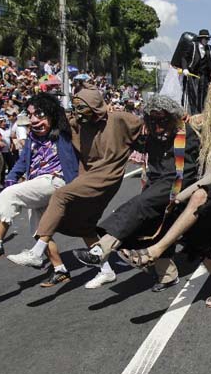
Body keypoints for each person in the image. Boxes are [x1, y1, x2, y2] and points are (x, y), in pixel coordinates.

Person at [116, 72, 211, 308]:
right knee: (197, 236)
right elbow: (184, 121)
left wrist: (182, 195)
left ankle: (155, 251)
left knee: (198, 195)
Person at [7, 84, 141, 288]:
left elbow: (145, 127)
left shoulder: (119, 119)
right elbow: (52, 120)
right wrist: (39, 110)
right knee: (84, 225)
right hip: (87, 176)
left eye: (82, 107)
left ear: (95, 105)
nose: (78, 112)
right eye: (75, 107)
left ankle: (37, 252)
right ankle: (106, 271)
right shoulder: (77, 124)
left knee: (61, 195)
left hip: (108, 175)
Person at [72, 95, 201, 290]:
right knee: (152, 227)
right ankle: (167, 276)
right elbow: (131, 140)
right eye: (153, 120)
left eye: (163, 120)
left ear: (173, 117)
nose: (158, 126)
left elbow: (188, 170)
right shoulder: (151, 135)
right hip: (156, 184)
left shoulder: (188, 133)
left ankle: (100, 249)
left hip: (176, 184)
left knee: (138, 207)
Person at [0, 94, 78, 266]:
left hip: (56, 181)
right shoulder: (32, 138)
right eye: (30, 115)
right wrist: (11, 177)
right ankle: (60, 270)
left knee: (11, 194)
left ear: (52, 115)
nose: (34, 120)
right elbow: (23, 161)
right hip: (37, 183)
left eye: (39, 115)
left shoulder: (64, 133)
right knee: (41, 231)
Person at [181, 30, 211, 115]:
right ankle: (192, 115)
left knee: (204, 96)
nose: (206, 40)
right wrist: (185, 68)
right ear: (200, 38)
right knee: (193, 95)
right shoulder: (192, 46)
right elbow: (184, 58)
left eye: (207, 39)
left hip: (205, 77)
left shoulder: (210, 49)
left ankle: (202, 115)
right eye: (204, 38)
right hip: (193, 75)